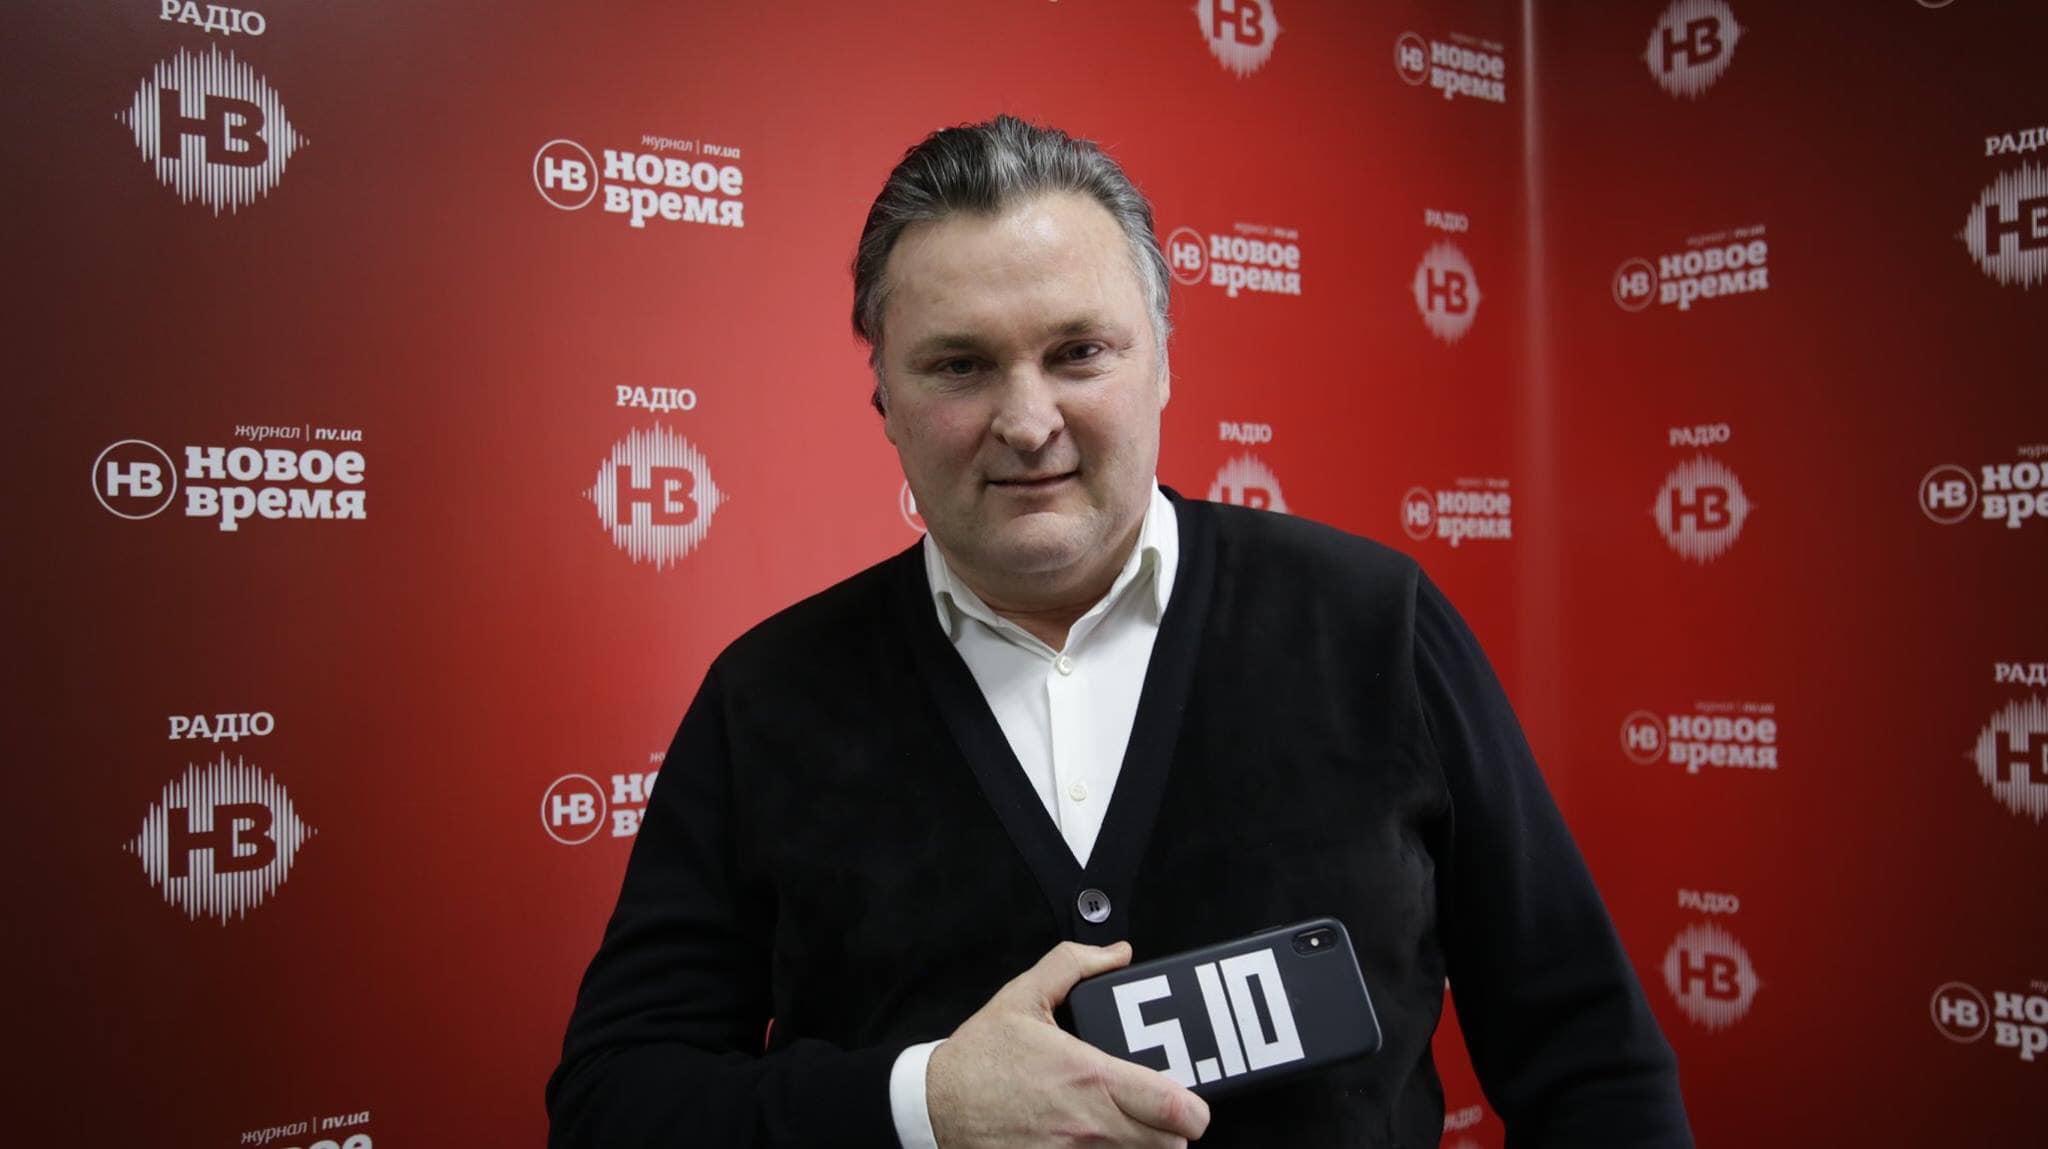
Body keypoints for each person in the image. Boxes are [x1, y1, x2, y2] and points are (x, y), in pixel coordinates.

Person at [546, 115, 1692, 1148]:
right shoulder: (768, 697)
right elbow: (613, 1104)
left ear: (1162, 364)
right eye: (958, 365)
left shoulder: (1371, 624)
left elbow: (1588, 1061)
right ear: (884, 400)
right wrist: (924, 1105)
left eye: (1077, 353)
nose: (1026, 420)